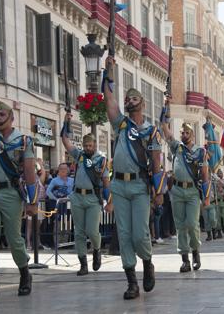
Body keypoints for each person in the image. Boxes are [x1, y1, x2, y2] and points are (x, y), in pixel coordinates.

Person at [102, 56, 163, 300]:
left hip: (139, 185)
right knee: (124, 234)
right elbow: (109, 100)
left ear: (143, 104)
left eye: (134, 98)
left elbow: (157, 164)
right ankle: (131, 282)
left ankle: (147, 262)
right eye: (127, 98)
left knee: (139, 234)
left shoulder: (150, 131)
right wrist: (108, 73)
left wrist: (158, 193)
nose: (128, 101)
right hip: (119, 185)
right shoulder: (121, 125)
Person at [0, 100, 39, 305]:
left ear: (12, 118)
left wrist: (32, 201)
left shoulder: (23, 141)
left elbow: (29, 170)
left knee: (14, 239)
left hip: (11, 194)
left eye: (3, 114)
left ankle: (24, 273)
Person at [61, 113, 111, 276]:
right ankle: (83, 264)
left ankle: (96, 249)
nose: (88, 148)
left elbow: (106, 182)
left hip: (92, 199)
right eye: (86, 145)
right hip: (77, 197)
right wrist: (66, 123)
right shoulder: (79, 156)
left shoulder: (101, 161)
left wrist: (108, 200)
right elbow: (65, 141)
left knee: (92, 231)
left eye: (90, 145)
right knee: (79, 232)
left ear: (95, 145)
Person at [161, 121, 209, 273]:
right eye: (182, 132)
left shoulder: (200, 152)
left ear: (192, 135)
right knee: (180, 226)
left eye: (187, 133)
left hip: (192, 192)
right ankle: (184, 260)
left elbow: (205, 175)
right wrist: (164, 124)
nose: (184, 135)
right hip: (177, 190)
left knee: (192, 224)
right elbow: (168, 137)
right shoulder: (177, 148)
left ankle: (195, 251)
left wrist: (207, 197)